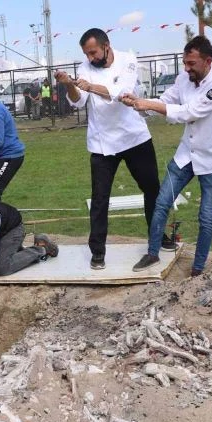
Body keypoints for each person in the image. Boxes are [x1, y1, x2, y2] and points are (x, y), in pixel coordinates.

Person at [54, 28, 171, 271]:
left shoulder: (128, 59)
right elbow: (78, 101)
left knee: (152, 189)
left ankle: (159, 237)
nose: (90, 58)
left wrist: (92, 86)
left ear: (107, 46)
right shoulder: (85, 68)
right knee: (99, 199)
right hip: (102, 143)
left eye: (93, 52)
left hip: (135, 137)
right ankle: (97, 252)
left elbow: (122, 93)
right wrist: (70, 85)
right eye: (86, 54)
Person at [120, 35, 212, 277]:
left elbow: (189, 113)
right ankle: (152, 252)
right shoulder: (184, 78)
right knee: (161, 202)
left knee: (205, 217)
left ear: (207, 61)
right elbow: (165, 101)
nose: (186, 68)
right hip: (187, 153)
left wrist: (148, 106)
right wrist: (137, 103)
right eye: (185, 62)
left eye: (191, 63)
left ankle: (198, 269)